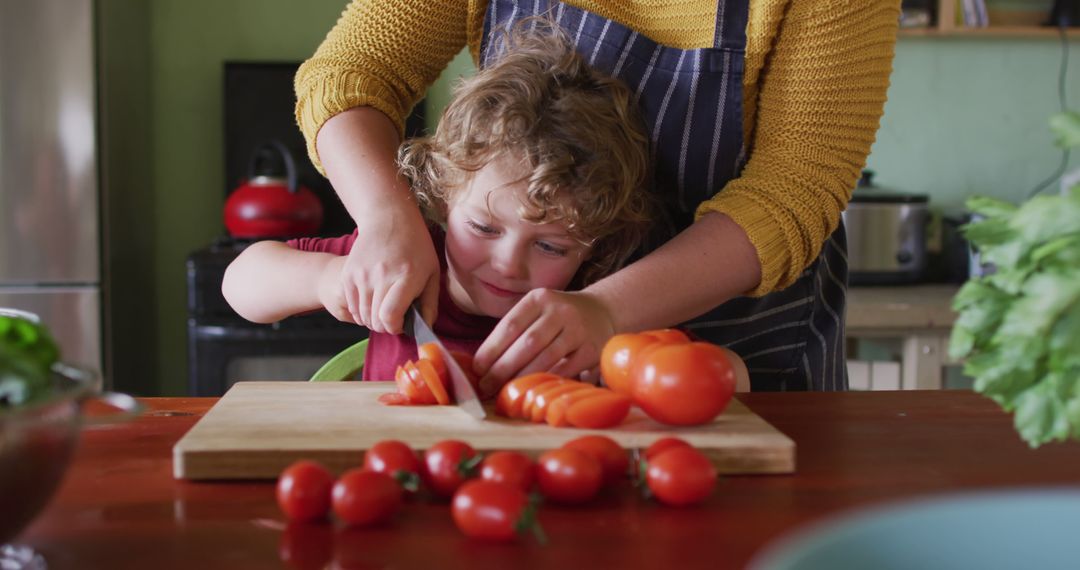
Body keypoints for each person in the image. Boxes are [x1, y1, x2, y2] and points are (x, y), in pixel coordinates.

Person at [295, 0, 899, 394]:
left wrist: (607, 310)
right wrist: (385, 216)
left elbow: (796, 187)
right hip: (547, 372)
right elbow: (352, 72)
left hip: (735, 353)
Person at [225, 27, 735, 388]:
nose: (508, 264)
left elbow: (730, 373)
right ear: (445, 196)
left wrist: (625, 367)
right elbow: (240, 285)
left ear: (596, 243)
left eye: (552, 245)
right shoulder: (405, 259)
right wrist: (330, 281)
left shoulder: (591, 305)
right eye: (484, 227)